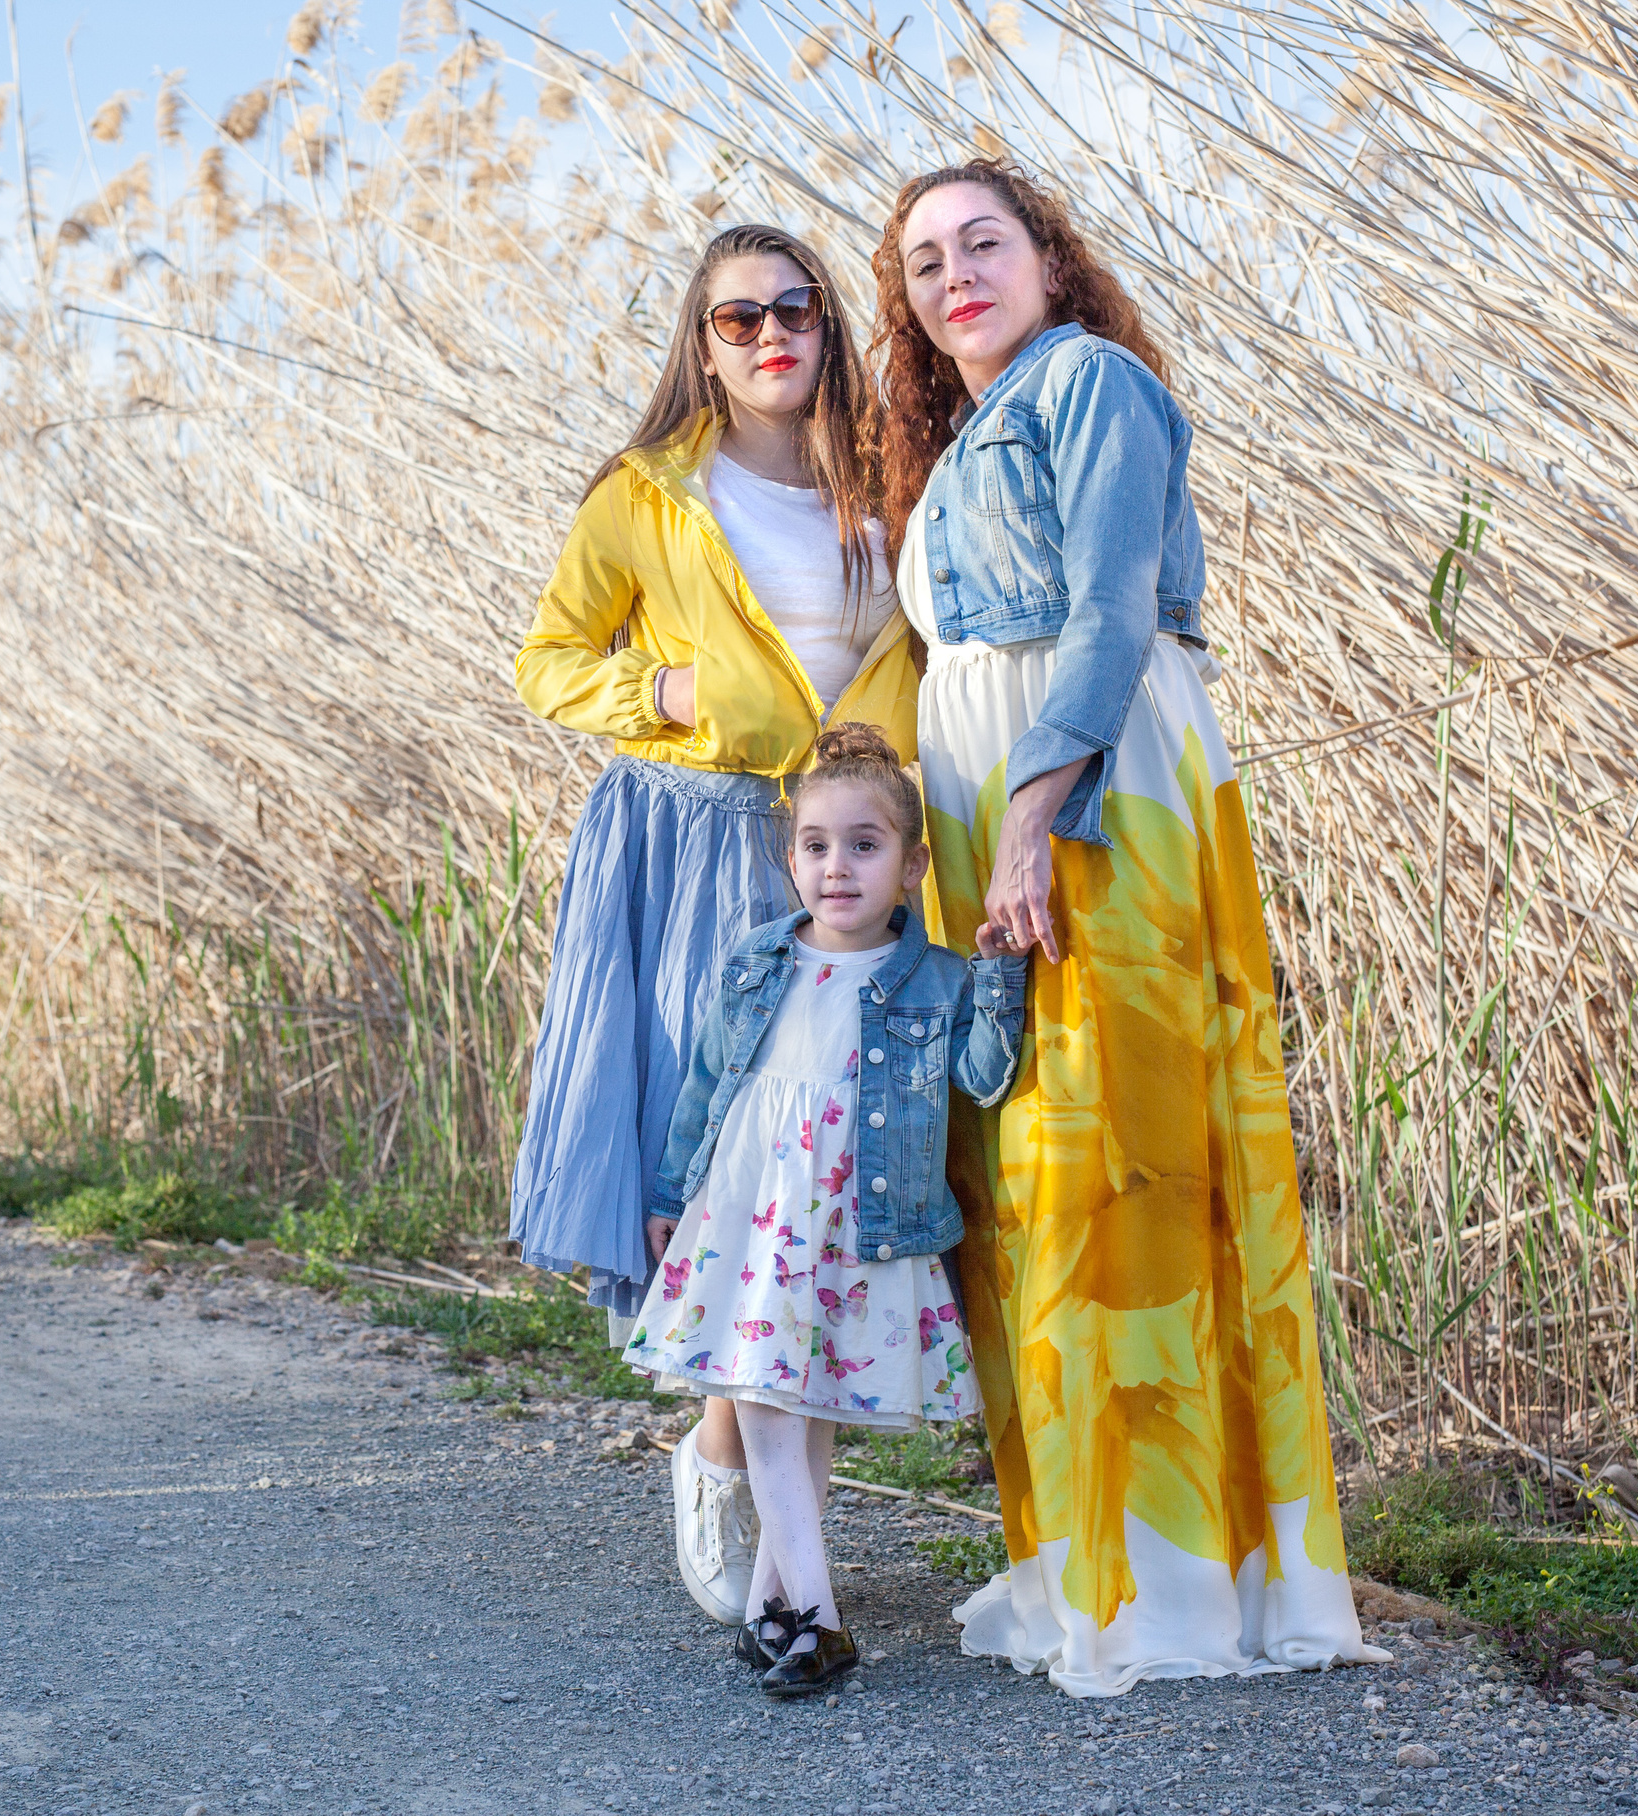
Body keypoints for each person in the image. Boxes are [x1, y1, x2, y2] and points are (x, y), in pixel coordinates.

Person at [872, 159, 1388, 1694]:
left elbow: (1107, 611)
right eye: (921, 264)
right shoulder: (963, 433)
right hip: (993, 814)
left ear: (1048, 258)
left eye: (984, 242)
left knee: (1130, 1171)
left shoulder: (1089, 382)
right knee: (1034, 1180)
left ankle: (1176, 1589)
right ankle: (1072, 1570)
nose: (954, 274)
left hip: (1098, 796)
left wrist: (1037, 810)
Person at [511, 224, 919, 1627]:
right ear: (701, 341)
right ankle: (730, 1466)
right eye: (736, 317)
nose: (769, 336)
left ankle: (724, 1442)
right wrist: (669, 698)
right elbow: (550, 663)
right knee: (734, 1163)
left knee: (831, 1172)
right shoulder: (647, 494)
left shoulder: (889, 478)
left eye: (795, 309)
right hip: (695, 841)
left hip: (851, 847)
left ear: (829, 326)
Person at [626, 724, 1024, 1696]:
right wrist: (672, 1190)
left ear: (912, 862)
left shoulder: (931, 980)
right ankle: (816, 1617)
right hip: (752, 1208)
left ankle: (776, 1607)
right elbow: (706, 1081)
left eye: (864, 843)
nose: (835, 866)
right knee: (761, 1392)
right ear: (789, 854)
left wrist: (1002, 976)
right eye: (814, 844)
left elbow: (982, 1078)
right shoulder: (760, 960)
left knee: (803, 1411)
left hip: (857, 1220)